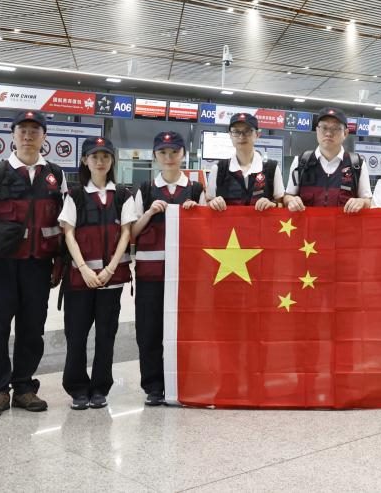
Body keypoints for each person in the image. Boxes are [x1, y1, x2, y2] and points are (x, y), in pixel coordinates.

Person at [0, 110, 66, 419]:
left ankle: (24, 387)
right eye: (22, 130)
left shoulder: (55, 175)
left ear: (44, 136)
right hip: (1, 266)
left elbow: (63, 223)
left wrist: (60, 261)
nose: (28, 136)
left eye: (34, 130)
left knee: (32, 329)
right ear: (13, 135)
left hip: (39, 265)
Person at [58, 136, 137, 410]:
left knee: (106, 336)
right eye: (94, 156)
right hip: (79, 280)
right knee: (76, 335)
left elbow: (126, 233)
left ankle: (100, 387)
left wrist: (110, 269)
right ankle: (77, 388)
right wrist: (83, 269)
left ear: (112, 160)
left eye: (105, 156)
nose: (100, 161)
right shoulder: (75, 196)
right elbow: (68, 233)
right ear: (85, 160)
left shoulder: (124, 196)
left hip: (111, 281)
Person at [130, 131, 205, 406]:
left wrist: (197, 214)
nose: (169, 157)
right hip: (151, 275)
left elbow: (208, 233)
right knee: (149, 331)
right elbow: (131, 233)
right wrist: (149, 212)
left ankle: (183, 382)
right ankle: (153, 386)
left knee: (185, 331)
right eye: (163, 152)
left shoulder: (196, 190)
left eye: (174, 151)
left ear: (183, 154)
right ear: (155, 156)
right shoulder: (145, 190)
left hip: (186, 276)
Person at [282, 107, 372, 213]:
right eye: (324, 128)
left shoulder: (357, 164)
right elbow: (288, 196)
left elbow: (368, 201)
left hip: (344, 224)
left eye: (335, 128)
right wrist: (291, 200)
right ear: (317, 130)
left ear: (345, 133)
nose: (328, 133)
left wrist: (362, 202)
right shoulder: (301, 162)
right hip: (309, 224)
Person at [207, 113, 283, 211]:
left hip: (263, 222)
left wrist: (273, 204)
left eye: (247, 131)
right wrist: (213, 203)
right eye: (236, 131)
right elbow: (207, 203)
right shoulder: (218, 170)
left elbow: (282, 204)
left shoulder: (272, 169)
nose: (241, 136)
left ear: (257, 134)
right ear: (230, 135)